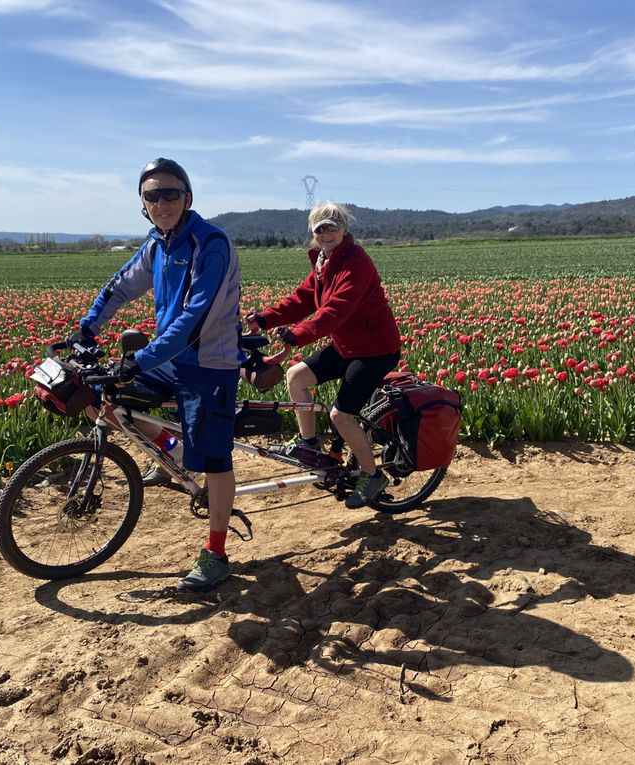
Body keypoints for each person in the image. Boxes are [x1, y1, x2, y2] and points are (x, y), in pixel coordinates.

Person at [69, 158, 242, 592]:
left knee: (214, 459)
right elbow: (121, 285)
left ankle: (216, 553)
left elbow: (195, 319)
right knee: (108, 400)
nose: (161, 202)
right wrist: (87, 327)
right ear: (143, 204)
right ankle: (169, 457)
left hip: (209, 361)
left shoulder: (211, 244)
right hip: (169, 357)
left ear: (187, 197)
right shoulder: (157, 244)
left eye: (170, 193)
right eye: (152, 195)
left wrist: (141, 358)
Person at [246, 201, 400, 509]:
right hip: (347, 346)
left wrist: (298, 334)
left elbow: (336, 309)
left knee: (340, 415)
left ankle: (372, 476)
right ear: (314, 234)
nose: (325, 233)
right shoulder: (323, 262)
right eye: (319, 229)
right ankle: (309, 444)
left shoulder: (356, 262)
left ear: (344, 229)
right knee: (296, 376)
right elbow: (303, 299)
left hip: (375, 350)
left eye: (332, 226)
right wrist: (266, 318)